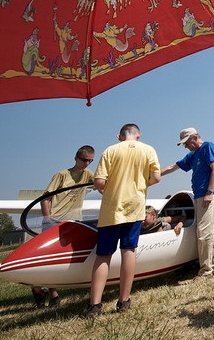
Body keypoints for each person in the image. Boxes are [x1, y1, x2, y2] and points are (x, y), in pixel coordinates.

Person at [86, 123, 160, 317]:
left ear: (119, 136)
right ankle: (124, 301)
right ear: (138, 135)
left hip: (111, 209)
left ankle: (95, 305)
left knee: (103, 255)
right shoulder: (148, 149)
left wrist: (109, 189)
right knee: (128, 251)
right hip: (134, 208)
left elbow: (99, 181)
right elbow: (156, 177)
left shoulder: (110, 151)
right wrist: (142, 185)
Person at [32, 145, 95, 308]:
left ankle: (48, 288)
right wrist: (47, 219)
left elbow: (101, 186)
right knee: (49, 259)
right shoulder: (62, 175)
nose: (87, 164)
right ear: (76, 158)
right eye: (84, 160)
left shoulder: (88, 174)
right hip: (55, 221)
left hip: (74, 221)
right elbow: (45, 198)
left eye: (91, 161)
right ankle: (51, 293)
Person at [160, 127, 214, 277]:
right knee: (207, 231)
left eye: (186, 143)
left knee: (203, 231)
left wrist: (209, 193)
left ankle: (206, 271)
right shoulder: (192, 155)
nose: (185, 146)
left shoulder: (208, 147)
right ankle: (212, 266)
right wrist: (151, 175)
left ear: (195, 138)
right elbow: (172, 167)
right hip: (199, 195)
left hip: (207, 194)